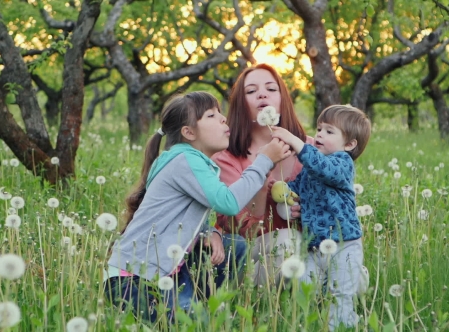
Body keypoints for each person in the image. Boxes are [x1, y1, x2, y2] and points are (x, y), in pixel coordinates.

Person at [104, 91, 292, 322]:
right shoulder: (185, 160)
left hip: (166, 270)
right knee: (191, 324)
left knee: (234, 247)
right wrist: (264, 160)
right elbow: (229, 203)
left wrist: (208, 231)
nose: (223, 118)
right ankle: (204, 312)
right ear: (189, 132)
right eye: (211, 115)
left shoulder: (186, 159)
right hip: (135, 280)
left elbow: (181, 211)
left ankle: (211, 303)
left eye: (220, 113)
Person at [213, 64, 315, 287]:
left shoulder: (310, 149)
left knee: (357, 278)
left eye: (271, 89)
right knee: (287, 240)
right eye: (251, 91)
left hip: (307, 248)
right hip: (250, 255)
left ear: (282, 98)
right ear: (241, 104)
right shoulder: (225, 157)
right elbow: (244, 229)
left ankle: (305, 295)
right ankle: (255, 299)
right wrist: (264, 166)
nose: (261, 94)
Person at [271, 104, 371, 329]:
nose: (319, 134)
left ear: (349, 144)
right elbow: (296, 188)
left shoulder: (342, 164)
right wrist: (282, 192)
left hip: (344, 245)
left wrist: (296, 142)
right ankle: (307, 323)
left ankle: (344, 325)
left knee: (340, 296)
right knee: (304, 288)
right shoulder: (309, 169)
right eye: (318, 129)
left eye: (329, 131)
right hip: (314, 248)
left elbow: (322, 167)